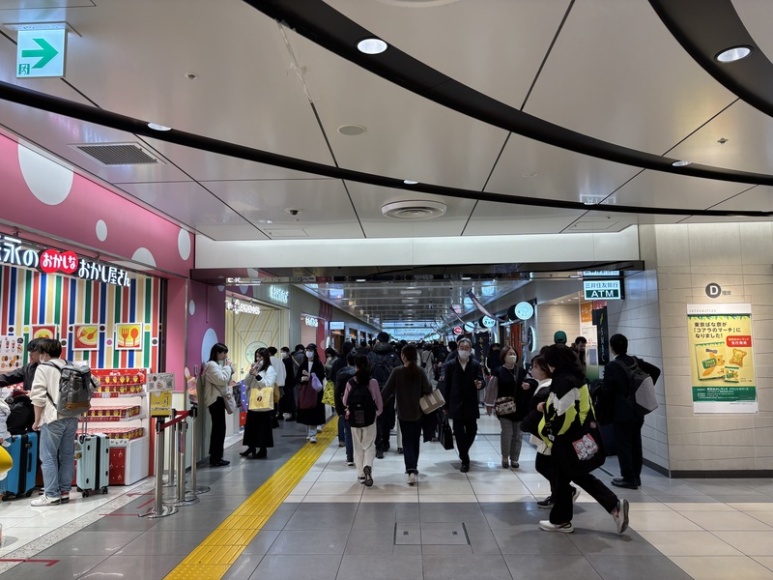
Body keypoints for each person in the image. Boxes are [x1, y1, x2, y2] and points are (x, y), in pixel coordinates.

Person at [537, 344, 628, 534]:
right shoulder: (578, 378)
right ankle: (563, 519)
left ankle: (612, 506)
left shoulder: (563, 381)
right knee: (570, 477)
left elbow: (565, 414)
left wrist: (553, 431)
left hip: (566, 438)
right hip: (578, 436)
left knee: (575, 476)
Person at [601, 333, 661, 490]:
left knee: (624, 445)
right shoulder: (635, 361)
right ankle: (636, 476)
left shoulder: (612, 367)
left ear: (612, 348)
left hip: (621, 411)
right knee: (636, 443)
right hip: (637, 410)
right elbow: (656, 371)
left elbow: (607, 391)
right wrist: (644, 390)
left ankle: (628, 478)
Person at [521, 354, 579, 509]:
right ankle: (557, 494)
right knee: (550, 466)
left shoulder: (549, 386)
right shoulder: (546, 384)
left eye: (535, 367)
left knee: (543, 465)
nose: (532, 370)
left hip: (548, 435)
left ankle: (566, 491)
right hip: (549, 433)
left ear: (544, 369)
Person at [29, 339, 77, 505]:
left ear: (45, 353)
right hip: (72, 417)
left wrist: (36, 420)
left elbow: (38, 397)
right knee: (67, 456)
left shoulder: (44, 368)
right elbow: (93, 385)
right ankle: (64, 491)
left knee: (48, 456)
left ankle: (51, 494)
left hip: (53, 417)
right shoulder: (72, 365)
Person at [381, 344, 433, 485]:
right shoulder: (420, 371)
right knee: (415, 441)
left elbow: (386, 391)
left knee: (406, 441)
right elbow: (428, 389)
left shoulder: (397, 372)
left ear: (403, 356)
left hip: (403, 413)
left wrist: (378, 406)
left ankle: (410, 470)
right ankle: (413, 468)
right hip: (418, 413)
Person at [484, 345, 535, 469]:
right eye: (509, 354)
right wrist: (490, 404)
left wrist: (528, 384)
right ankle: (505, 457)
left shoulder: (521, 371)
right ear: (504, 356)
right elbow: (492, 388)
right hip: (504, 407)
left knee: (518, 435)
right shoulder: (498, 371)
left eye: (514, 354)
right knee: (507, 433)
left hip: (520, 407)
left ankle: (515, 459)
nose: (512, 356)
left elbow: (532, 381)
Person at [440, 337, 484, 473]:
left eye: (466, 348)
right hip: (455, 402)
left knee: (472, 430)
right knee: (458, 432)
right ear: (458, 349)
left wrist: (480, 384)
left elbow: (481, 380)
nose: (464, 350)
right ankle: (465, 460)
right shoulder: (450, 365)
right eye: (461, 348)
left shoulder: (476, 364)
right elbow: (445, 386)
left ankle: (463, 451)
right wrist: (445, 405)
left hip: (470, 402)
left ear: (470, 350)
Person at [343, 355, 383, 487]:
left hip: (354, 418)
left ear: (355, 366)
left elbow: (345, 401)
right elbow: (379, 402)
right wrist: (376, 413)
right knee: (369, 445)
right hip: (369, 418)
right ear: (368, 365)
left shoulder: (350, 382)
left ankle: (360, 474)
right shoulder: (373, 382)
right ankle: (367, 466)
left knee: (358, 446)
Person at [203, 342, 235, 467]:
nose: (225, 355)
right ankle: (215, 457)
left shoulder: (215, 365)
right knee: (219, 429)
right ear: (217, 352)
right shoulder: (211, 365)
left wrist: (228, 368)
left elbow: (224, 378)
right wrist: (228, 367)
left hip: (217, 400)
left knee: (220, 429)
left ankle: (217, 456)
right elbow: (222, 379)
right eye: (224, 353)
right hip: (215, 400)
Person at [240, 348, 276, 459]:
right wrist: (251, 373)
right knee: (251, 426)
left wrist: (257, 375)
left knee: (262, 427)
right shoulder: (255, 367)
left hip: (263, 403)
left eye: (260, 357)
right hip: (253, 401)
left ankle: (262, 449)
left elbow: (267, 384)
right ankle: (251, 447)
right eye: (257, 356)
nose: (258, 359)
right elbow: (246, 382)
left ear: (265, 357)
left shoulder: (270, 369)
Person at [367, 331, 398, 458]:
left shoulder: (371, 354)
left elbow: (366, 372)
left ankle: (377, 445)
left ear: (378, 340)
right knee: (387, 417)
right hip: (389, 391)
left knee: (376, 418)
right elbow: (398, 373)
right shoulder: (393, 355)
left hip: (373, 390)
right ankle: (385, 442)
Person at [295, 343, 326, 443]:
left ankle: (312, 434)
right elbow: (296, 378)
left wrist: (311, 377)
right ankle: (308, 433)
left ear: (315, 352)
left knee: (314, 413)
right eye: (307, 350)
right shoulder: (303, 364)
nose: (308, 352)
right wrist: (302, 379)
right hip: (305, 392)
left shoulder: (318, 364)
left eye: (310, 350)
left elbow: (321, 377)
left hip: (316, 393)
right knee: (306, 412)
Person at [335, 351, 357, 466]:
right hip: (358, 405)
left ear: (347, 361)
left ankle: (349, 457)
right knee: (359, 432)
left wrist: (338, 408)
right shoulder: (361, 373)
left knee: (348, 431)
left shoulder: (341, 373)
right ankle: (360, 456)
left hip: (345, 405)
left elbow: (337, 391)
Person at [331, 342, 355, 448]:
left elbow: (331, 376)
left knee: (341, 416)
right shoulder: (356, 364)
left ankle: (341, 439)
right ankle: (353, 437)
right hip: (354, 395)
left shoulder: (337, 362)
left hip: (341, 394)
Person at [280, 346, 296, 420]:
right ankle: (286, 413)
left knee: (289, 398)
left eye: (283, 351)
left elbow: (289, 373)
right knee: (285, 398)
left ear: (287, 352)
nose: (282, 353)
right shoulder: (284, 360)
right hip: (286, 382)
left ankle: (292, 414)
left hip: (289, 382)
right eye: (282, 351)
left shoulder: (289, 361)